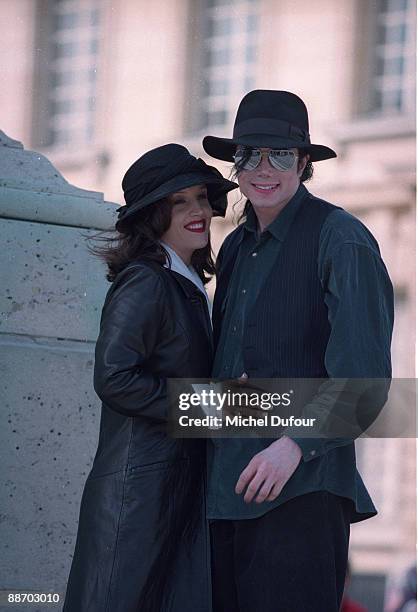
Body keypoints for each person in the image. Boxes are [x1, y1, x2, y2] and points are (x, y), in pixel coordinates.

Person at [202, 90, 394, 612]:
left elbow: (365, 382)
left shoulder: (342, 239)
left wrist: (293, 445)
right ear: (234, 163)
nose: (263, 169)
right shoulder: (236, 247)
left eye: (281, 155)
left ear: (303, 163)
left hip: (301, 495)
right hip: (222, 494)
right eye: (249, 154)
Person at [63, 143, 238, 612]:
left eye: (201, 198)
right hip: (138, 494)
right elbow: (116, 378)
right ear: (154, 214)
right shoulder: (146, 280)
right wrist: (214, 407)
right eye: (179, 202)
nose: (198, 211)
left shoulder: (185, 282)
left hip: (173, 486)